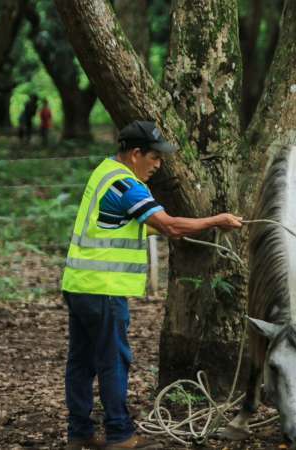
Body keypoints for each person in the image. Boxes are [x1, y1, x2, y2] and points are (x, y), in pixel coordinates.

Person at [60, 120, 243, 450]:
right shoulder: (128, 185)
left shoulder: (104, 171)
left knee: (81, 361)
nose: (158, 166)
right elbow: (171, 226)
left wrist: (177, 227)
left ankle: (79, 433)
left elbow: (118, 225)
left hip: (78, 284)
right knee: (114, 360)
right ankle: (120, 435)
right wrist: (217, 220)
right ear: (135, 154)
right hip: (103, 288)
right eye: (154, 157)